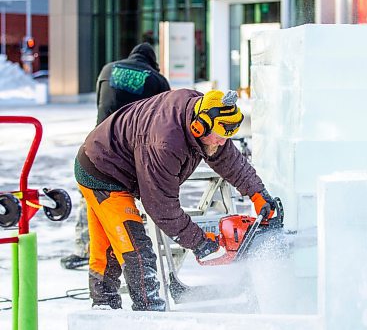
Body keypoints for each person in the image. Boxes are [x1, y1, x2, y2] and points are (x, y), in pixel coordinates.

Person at [73, 89, 277, 311]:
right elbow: (161, 208)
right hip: (102, 172)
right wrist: (199, 242)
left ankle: (103, 307)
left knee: (110, 243)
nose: (221, 142)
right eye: (218, 136)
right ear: (199, 126)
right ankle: (150, 314)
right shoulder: (165, 142)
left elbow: (229, 159)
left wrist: (257, 194)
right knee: (135, 249)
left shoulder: (208, 112)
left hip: (112, 161)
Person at [61, 42, 170, 270]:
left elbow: (102, 104)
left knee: (91, 197)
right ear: (153, 62)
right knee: (127, 198)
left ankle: (86, 249)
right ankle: (129, 248)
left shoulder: (108, 69)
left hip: (97, 145)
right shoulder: (156, 80)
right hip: (131, 149)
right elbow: (164, 119)